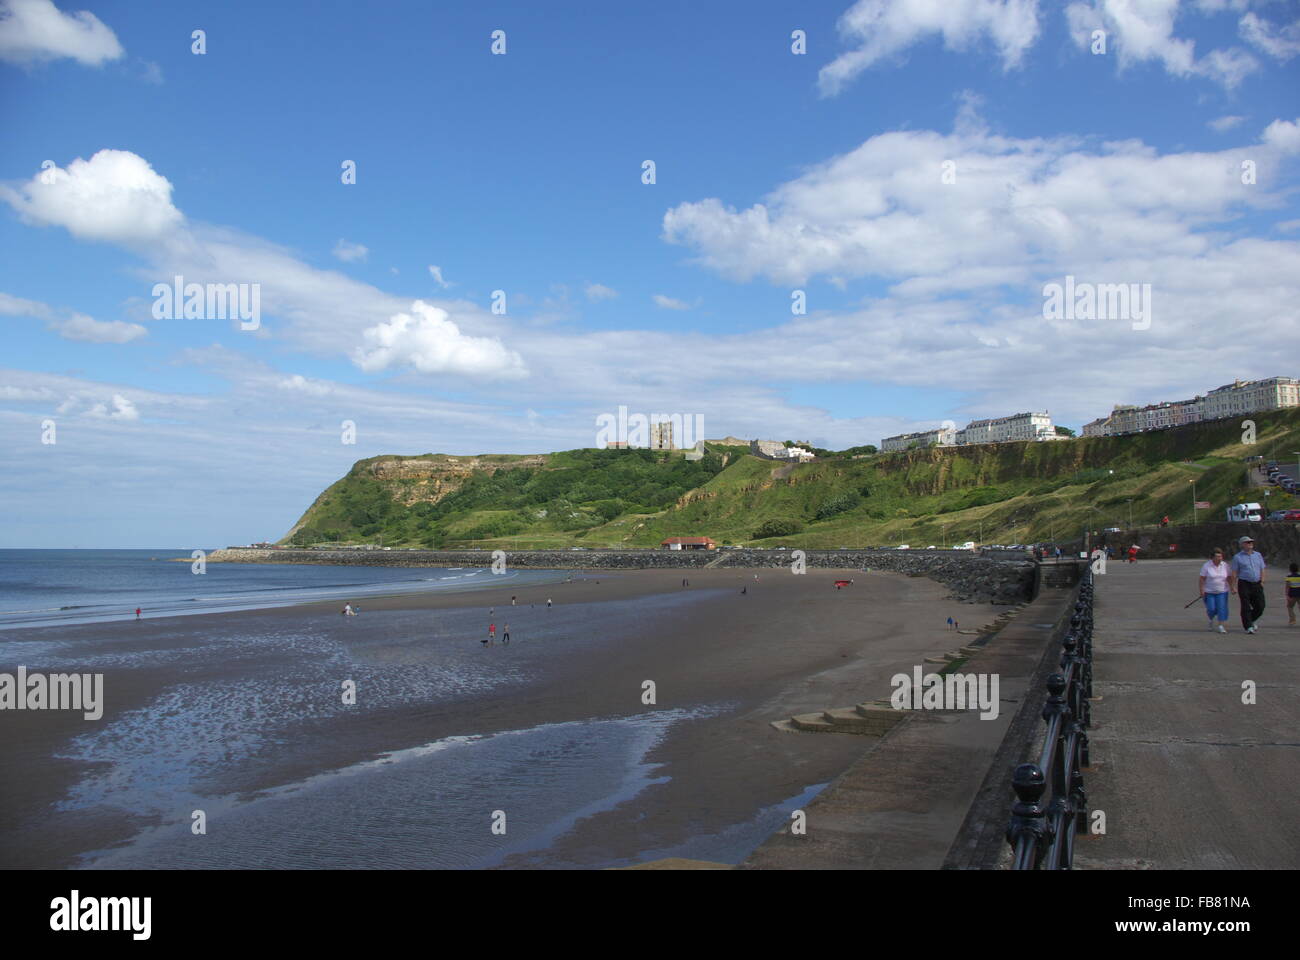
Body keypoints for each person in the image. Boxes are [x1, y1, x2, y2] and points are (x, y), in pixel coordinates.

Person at [1229, 535, 1267, 633]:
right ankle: (1248, 626)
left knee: (1260, 606)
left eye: (1251, 542)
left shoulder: (1258, 555)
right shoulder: (1237, 557)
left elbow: (1262, 568)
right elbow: (1234, 573)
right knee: (1245, 605)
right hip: (1244, 583)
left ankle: (1251, 620)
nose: (1250, 544)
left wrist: (1262, 581)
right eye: (1248, 542)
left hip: (1257, 583)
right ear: (1242, 545)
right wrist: (1233, 586)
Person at [1198, 548, 1232, 633]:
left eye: (1221, 556)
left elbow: (1229, 577)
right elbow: (1202, 579)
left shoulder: (1225, 565)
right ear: (1212, 558)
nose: (1220, 558)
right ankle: (1211, 619)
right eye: (1217, 557)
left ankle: (1221, 625)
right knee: (1211, 609)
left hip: (1222, 591)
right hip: (1209, 592)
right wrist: (1202, 590)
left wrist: (1232, 587)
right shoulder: (1206, 566)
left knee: (1222, 608)